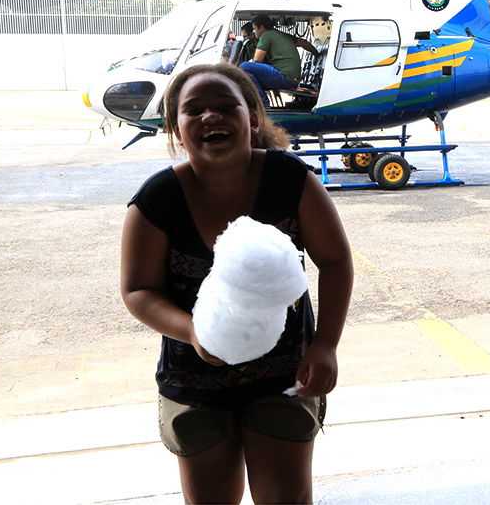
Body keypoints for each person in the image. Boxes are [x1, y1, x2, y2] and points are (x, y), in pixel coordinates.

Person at [120, 63, 353, 504]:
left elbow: (336, 261)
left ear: (253, 117)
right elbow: (137, 290)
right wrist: (193, 331)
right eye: (195, 110)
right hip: (195, 381)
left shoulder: (291, 180)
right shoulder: (157, 200)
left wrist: (325, 345)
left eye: (227, 106)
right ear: (175, 126)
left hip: (286, 375)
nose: (211, 116)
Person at [239, 15, 319, 107]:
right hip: (294, 78)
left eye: (254, 29)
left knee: (244, 66)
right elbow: (304, 43)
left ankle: (263, 104)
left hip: (285, 77)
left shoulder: (265, 35)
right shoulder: (281, 35)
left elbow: (257, 60)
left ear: (261, 28)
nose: (254, 32)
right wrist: (316, 54)